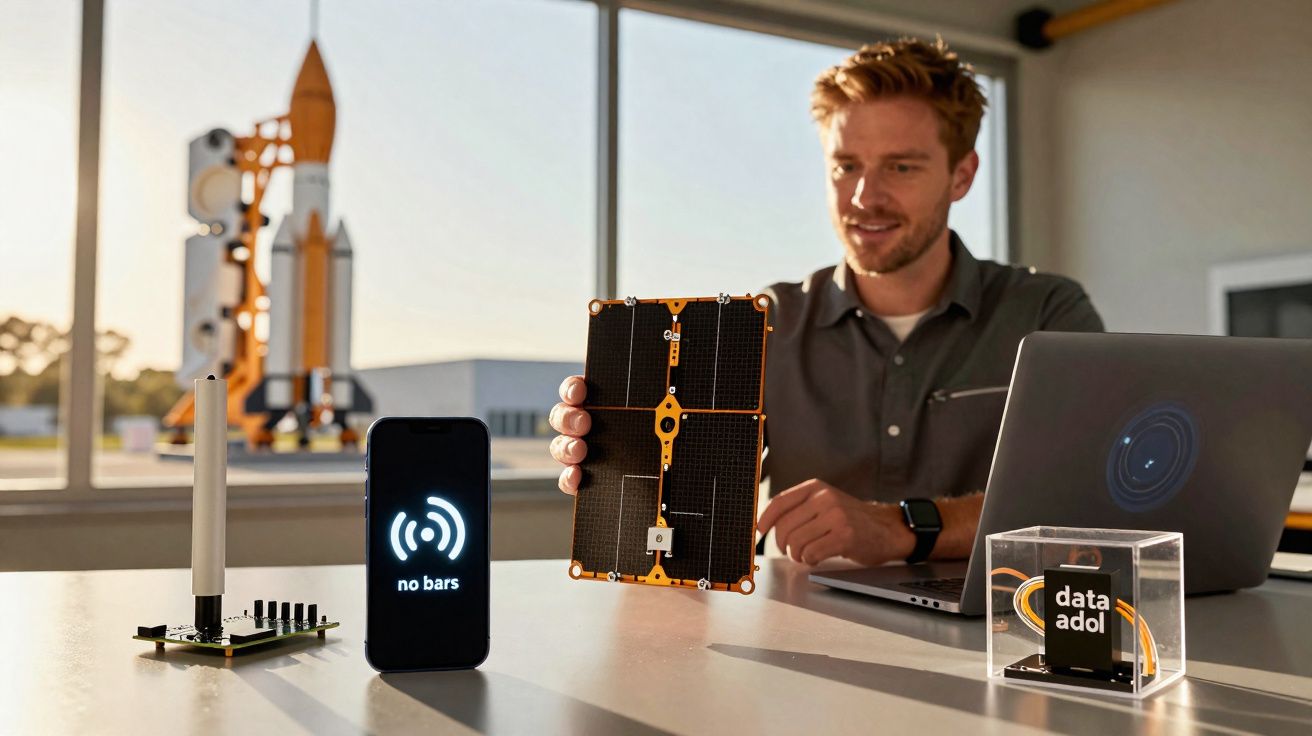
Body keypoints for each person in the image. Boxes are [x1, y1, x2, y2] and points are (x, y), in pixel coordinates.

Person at [548, 38, 1102, 569]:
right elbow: (680, 514)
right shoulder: (765, 323)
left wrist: (897, 528)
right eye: (846, 166)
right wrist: (622, 470)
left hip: (999, 629)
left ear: (962, 176)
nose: (864, 198)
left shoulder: (1048, 314)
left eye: (901, 167)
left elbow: (1085, 496)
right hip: (802, 642)